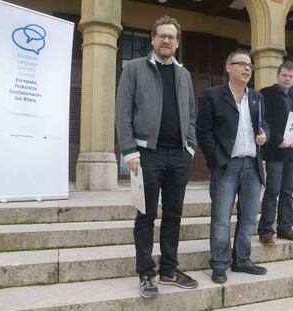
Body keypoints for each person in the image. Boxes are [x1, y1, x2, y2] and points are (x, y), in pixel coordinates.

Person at [115, 16, 198, 299]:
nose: (166, 41)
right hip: (146, 155)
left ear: (177, 42)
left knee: (173, 214)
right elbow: (123, 112)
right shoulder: (135, 69)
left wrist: (189, 147)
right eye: (161, 36)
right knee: (145, 216)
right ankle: (146, 273)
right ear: (152, 39)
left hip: (178, 155)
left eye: (171, 37)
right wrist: (129, 150)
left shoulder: (183, 74)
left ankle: (168, 270)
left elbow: (190, 116)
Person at [196, 49, 269, 284]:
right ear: (229, 67)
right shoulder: (213, 95)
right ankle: (219, 263)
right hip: (227, 165)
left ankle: (242, 260)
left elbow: (264, 124)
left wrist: (265, 134)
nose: (248, 68)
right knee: (221, 217)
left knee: (248, 217)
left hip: (253, 165)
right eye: (242, 64)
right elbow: (203, 132)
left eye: (250, 65)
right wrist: (217, 161)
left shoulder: (257, 97)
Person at [258, 60, 293, 246]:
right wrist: (278, 139)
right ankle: (265, 231)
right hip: (275, 151)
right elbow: (264, 121)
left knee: (287, 192)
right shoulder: (266, 94)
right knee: (272, 191)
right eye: (284, 76)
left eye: (291, 76)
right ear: (277, 76)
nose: (287, 79)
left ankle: (285, 229)